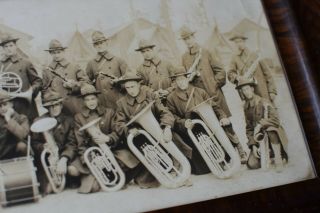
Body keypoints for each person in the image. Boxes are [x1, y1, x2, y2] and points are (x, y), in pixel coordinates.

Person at [166, 67, 247, 174]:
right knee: (202, 169)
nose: (181, 82)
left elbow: (215, 107)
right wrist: (183, 123)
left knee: (225, 122)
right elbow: (172, 116)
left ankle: (238, 147)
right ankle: (214, 160)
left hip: (207, 125)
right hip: (190, 129)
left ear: (187, 78)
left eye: (182, 79)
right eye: (178, 80)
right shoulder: (171, 98)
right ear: (175, 82)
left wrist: (223, 116)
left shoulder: (200, 91)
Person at [115, 72, 183, 188]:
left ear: (139, 84)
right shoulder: (121, 103)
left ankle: (177, 170)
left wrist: (167, 127)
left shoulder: (150, 94)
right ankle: (158, 174)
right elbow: (118, 124)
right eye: (127, 88)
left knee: (174, 140)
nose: (130, 90)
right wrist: (128, 131)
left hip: (158, 130)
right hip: (140, 136)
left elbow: (164, 112)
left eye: (133, 86)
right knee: (146, 151)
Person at [73, 84, 140, 193]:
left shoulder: (109, 112)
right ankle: (108, 176)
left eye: (93, 98)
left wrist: (108, 138)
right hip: (95, 156)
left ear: (97, 98)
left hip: (112, 150)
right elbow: (80, 144)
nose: (91, 102)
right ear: (83, 102)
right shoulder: (79, 118)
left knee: (132, 162)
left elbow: (118, 132)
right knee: (92, 188)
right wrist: (91, 160)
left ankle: (115, 176)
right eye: (87, 100)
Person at [31, 91, 79, 194]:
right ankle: (55, 179)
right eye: (50, 106)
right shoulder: (39, 120)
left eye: (56, 105)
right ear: (47, 108)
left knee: (73, 171)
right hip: (48, 159)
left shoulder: (69, 120)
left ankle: (68, 178)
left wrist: (64, 159)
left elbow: (72, 143)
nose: (53, 108)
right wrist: (43, 146)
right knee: (48, 189)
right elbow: (34, 142)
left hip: (63, 155)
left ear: (61, 105)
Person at [235, 78, 288, 172]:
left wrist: (260, 124)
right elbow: (249, 128)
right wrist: (253, 146)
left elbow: (275, 120)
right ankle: (269, 153)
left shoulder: (264, 101)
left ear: (252, 89)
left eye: (247, 89)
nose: (246, 92)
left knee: (271, 130)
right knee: (252, 164)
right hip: (260, 138)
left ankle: (278, 157)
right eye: (243, 90)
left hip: (273, 135)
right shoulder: (246, 107)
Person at [0, 33, 42, 118]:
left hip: (24, 104)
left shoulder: (25, 62)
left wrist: (30, 91)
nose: (9, 49)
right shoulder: (1, 64)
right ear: (3, 49)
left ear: (16, 46)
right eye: (6, 47)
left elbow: (37, 81)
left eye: (11, 45)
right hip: (6, 105)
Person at [42, 39, 89, 115]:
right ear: (50, 53)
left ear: (63, 52)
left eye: (58, 52)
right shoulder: (47, 70)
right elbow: (44, 91)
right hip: (58, 109)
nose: (56, 55)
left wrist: (74, 86)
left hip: (75, 106)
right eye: (53, 53)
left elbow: (86, 83)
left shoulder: (73, 66)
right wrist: (51, 97)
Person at [228, 32, 277, 102]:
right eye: (236, 42)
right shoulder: (234, 58)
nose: (238, 44)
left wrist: (272, 91)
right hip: (248, 91)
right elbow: (230, 73)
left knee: (268, 108)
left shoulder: (255, 54)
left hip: (262, 88)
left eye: (240, 41)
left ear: (244, 42)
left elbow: (267, 73)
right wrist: (237, 77)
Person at [86, 31, 130, 109]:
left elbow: (129, 80)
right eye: (97, 44)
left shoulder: (118, 60)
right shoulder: (91, 63)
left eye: (101, 43)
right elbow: (87, 82)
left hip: (119, 99)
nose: (99, 45)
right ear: (94, 46)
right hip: (102, 102)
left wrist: (119, 83)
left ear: (106, 43)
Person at [0, 94, 29, 160]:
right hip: (2, 152)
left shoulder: (22, 118)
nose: (2, 108)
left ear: (11, 104)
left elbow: (23, 134)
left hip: (16, 152)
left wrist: (8, 119)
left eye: (5, 104)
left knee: (22, 146)